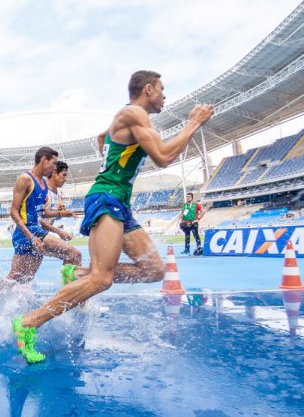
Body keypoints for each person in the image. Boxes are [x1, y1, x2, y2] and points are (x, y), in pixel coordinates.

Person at [12, 70, 214, 363]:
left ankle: (78, 274)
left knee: (153, 270)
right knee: (102, 279)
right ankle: (29, 323)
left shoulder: (131, 119)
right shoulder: (134, 113)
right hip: (107, 198)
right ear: (147, 89)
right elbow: (163, 157)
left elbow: (101, 137)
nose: (164, 95)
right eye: (161, 89)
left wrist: (112, 155)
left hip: (119, 202)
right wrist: (193, 123)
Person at [6, 151, 87, 286]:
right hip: (28, 231)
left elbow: (43, 213)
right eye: (54, 163)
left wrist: (62, 214)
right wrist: (31, 237)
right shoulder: (25, 178)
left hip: (35, 231)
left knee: (20, 278)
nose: (54, 167)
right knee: (74, 255)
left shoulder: (43, 184)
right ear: (44, 160)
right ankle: (71, 299)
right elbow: (13, 212)